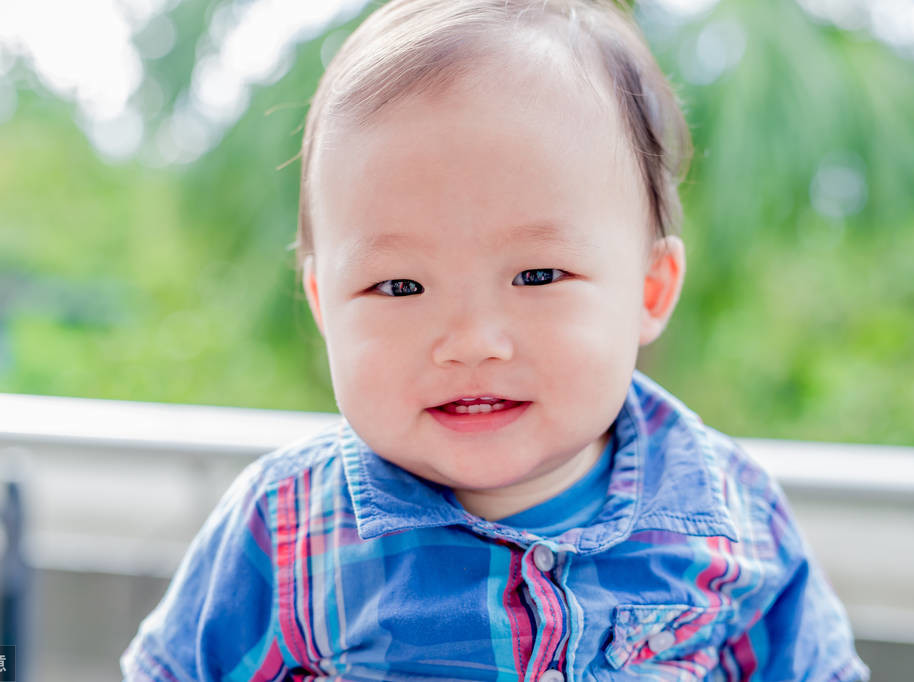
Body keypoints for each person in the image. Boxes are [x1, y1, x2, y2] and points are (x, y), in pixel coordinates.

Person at [121, 1, 869, 679]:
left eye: (537, 275)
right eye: (399, 287)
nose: (471, 342)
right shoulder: (288, 528)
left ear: (648, 290)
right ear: (323, 305)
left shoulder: (729, 516)